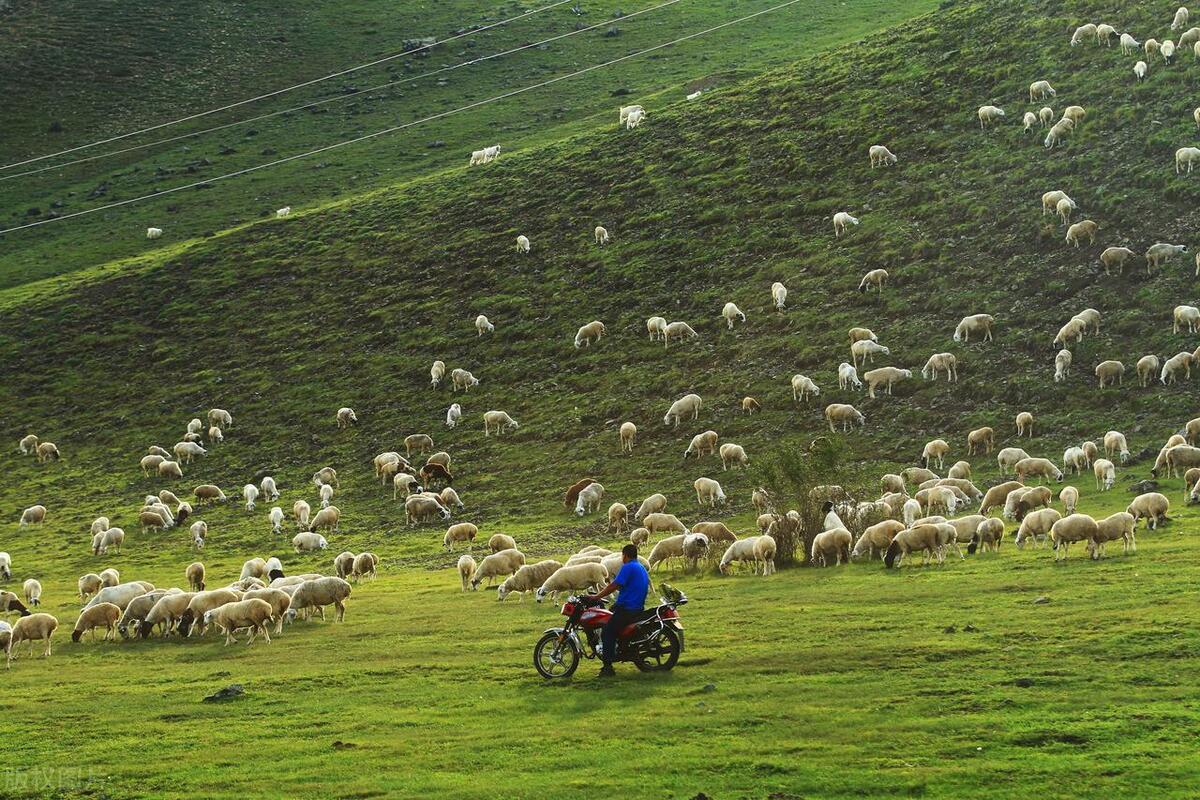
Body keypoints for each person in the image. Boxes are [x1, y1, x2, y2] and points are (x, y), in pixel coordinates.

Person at [588, 543, 650, 677]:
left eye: (622, 555)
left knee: (607, 632)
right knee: (612, 621)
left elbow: (615, 585)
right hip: (636, 607)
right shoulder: (640, 567)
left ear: (625, 555)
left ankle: (608, 667)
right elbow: (627, 588)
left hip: (628, 609)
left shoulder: (628, 567)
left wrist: (596, 596)